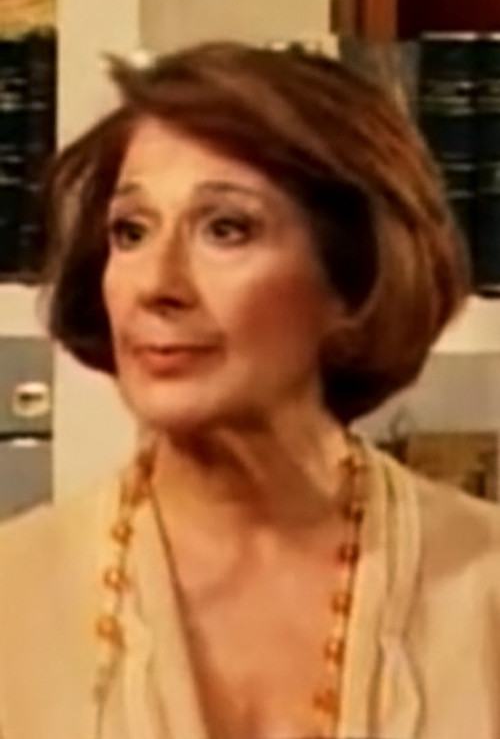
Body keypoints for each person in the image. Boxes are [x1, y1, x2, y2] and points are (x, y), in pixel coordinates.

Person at [0, 40, 499, 739]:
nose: (157, 285)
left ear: (351, 278)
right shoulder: (14, 594)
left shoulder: (482, 587)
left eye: (226, 229)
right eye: (131, 232)